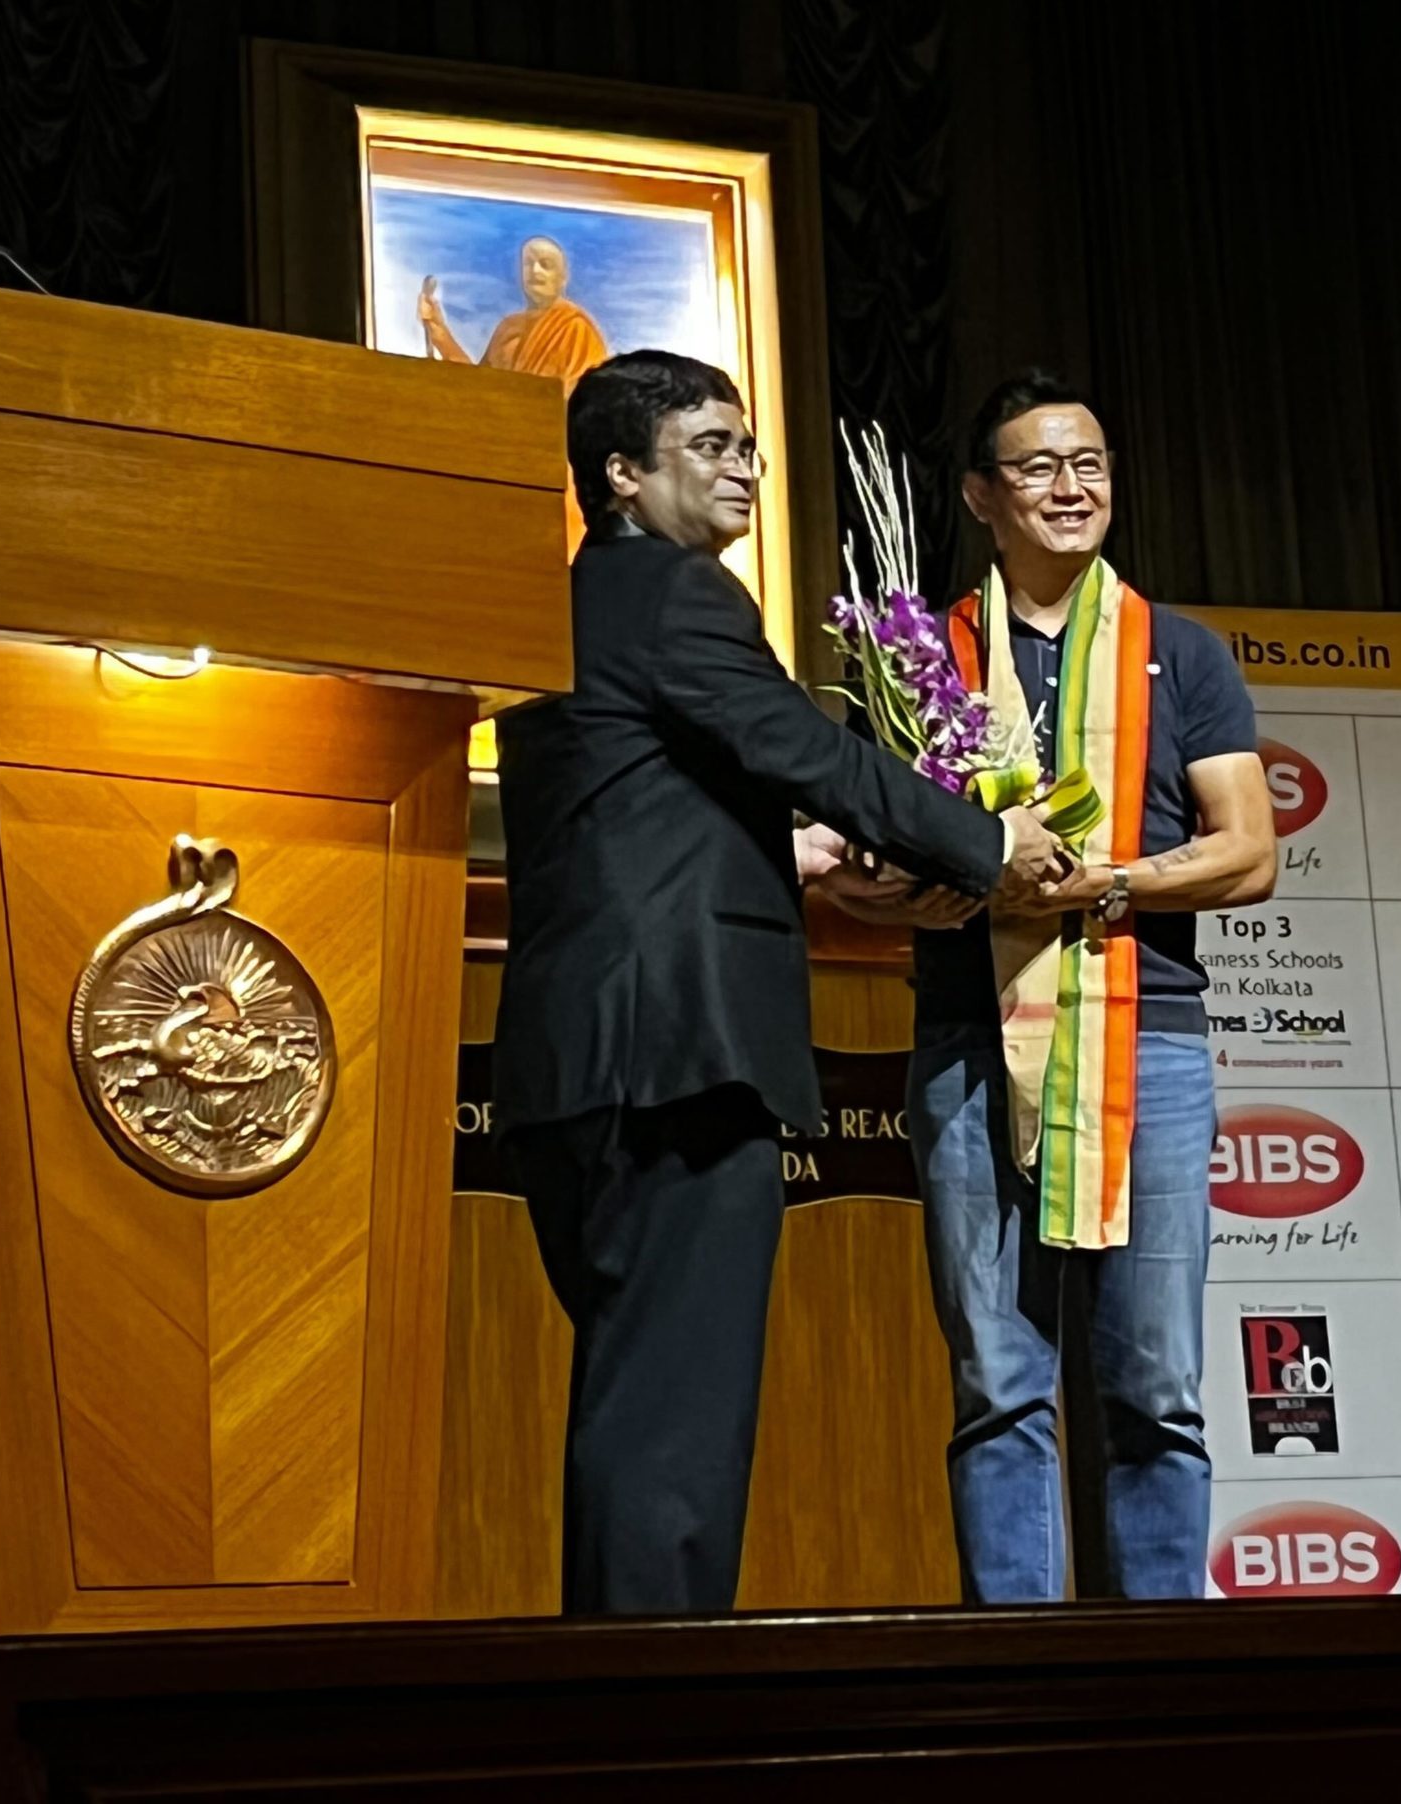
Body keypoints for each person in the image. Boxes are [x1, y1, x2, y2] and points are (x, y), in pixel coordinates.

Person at [492, 349, 1066, 1616]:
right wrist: (986, 844)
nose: (743, 465)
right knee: (675, 1427)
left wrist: (780, 845)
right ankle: (659, 1726)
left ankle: (614, 1700)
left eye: (747, 443)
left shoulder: (556, 607)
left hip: (574, 1067)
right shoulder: (676, 595)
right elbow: (803, 746)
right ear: (622, 475)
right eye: (709, 444)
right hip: (677, 1060)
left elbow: (625, 810)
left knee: (632, 1403)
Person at [822, 372, 1274, 1601]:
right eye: (1037, 467)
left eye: (1090, 463)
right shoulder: (918, 661)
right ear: (980, 495)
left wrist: (1101, 884)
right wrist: (930, 888)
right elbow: (857, 863)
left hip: (1149, 1041)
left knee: (1156, 1387)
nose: (1071, 488)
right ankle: (1017, 1666)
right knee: (996, 1383)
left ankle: (1164, 1675)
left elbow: (1248, 847)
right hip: (970, 1036)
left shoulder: (1176, 653)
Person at [420, 235, 609, 553]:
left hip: (553, 471)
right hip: (506, 465)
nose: (535, 271)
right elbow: (480, 390)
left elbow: (577, 407)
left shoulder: (576, 329)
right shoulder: (508, 328)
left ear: (562, 277)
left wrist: (517, 417)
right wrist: (438, 332)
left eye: (545, 265)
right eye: (528, 263)